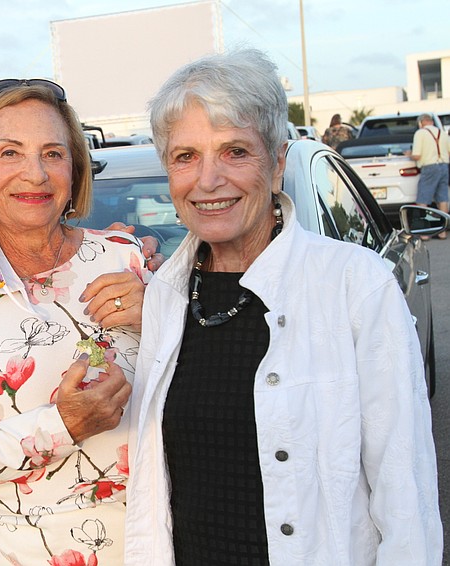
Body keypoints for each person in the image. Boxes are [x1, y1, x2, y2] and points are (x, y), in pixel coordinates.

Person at [125, 48, 442, 565]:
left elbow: (404, 494)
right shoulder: (165, 294)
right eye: (186, 157)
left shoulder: (355, 286)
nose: (208, 180)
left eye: (234, 152)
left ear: (276, 163)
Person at [0, 79, 147, 565]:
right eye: (10, 152)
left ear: (74, 169)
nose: (34, 173)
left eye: (53, 153)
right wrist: (62, 425)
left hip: (155, 541)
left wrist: (164, 313)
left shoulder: (124, 259)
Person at [409, 113, 450, 239]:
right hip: (443, 166)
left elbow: (417, 155)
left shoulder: (420, 133)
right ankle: (443, 231)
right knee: (442, 197)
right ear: (431, 121)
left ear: (421, 122)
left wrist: (408, 154)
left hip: (429, 167)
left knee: (423, 199)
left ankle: (424, 232)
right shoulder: (441, 132)